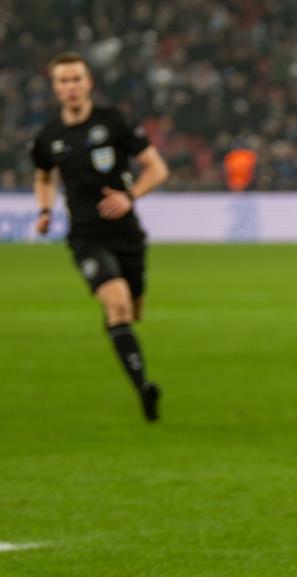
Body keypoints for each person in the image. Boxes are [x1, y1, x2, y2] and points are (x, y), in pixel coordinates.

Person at [30, 51, 170, 421]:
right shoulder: (48, 137)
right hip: (86, 236)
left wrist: (130, 196)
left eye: (76, 79)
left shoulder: (114, 121)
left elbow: (157, 169)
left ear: (89, 82)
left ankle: (117, 328)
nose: (71, 87)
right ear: (55, 87)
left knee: (132, 311)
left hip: (126, 234)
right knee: (118, 305)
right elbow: (43, 177)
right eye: (63, 80)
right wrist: (44, 210)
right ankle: (144, 389)